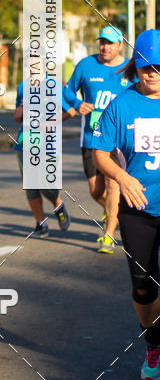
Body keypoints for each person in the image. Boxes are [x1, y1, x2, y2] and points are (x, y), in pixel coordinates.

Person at [92, 29, 160, 380]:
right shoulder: (122, 104)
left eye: (159, 67)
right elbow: (99, 153)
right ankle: (153, 341)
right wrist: (122, 177)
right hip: (138, 209)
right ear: (136, 66)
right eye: (146, 66)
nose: (152, 73)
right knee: (144, 287)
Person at [63, 26, 132, 253]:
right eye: (102, 42)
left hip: (117, 140)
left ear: (120, 44)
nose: (105, 47)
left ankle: (109, 236)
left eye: (110, 43)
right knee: (95, 190)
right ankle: (115, 213)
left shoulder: (129, 69)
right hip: (91, 138)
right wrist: (77, 104)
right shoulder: (86, 65)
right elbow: (68, 90)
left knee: (113, 184)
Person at [13, 80, 71, 236]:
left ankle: (58, 204)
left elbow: (70, 111)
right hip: (24, 142)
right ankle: (41, 223)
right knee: (31, 185)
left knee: (47, 186)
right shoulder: (22, 86)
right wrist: (18, 116)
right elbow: (18, 115)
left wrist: (48, 124)